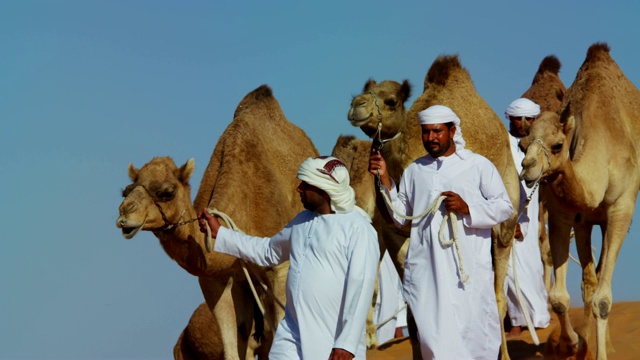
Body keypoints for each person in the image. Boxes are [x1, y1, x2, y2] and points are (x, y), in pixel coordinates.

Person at [198, 156, 380, 360]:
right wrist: (221, 234)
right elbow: (268, 251)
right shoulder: (301, 222)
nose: (299, 189)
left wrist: (346, 343)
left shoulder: (359, 229)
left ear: (324, 188)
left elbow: (360, 286)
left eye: (305, 184)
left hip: (333, 341)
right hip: (292, 334)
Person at [368, 105, 514, 359]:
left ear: (452, 130)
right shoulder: (415, 170)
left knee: (474, 335)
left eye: (437, 131)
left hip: (466, 271)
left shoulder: (477, 165)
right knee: (433, 338)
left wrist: (468, 209)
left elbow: (504, 207)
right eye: (426, 132)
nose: (431, 138)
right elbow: (401, 216)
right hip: (428, 272)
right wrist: (385, 179)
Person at [503, 98, 550, 337]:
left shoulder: (538, 146)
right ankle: (517, 322)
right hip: (506, 211)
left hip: (529, 211)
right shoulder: (502, 145)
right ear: (509, 118)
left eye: (528, 119)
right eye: (517, 119)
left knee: (529, 264)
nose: (522, 123)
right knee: (510, 267)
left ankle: (537, 317)